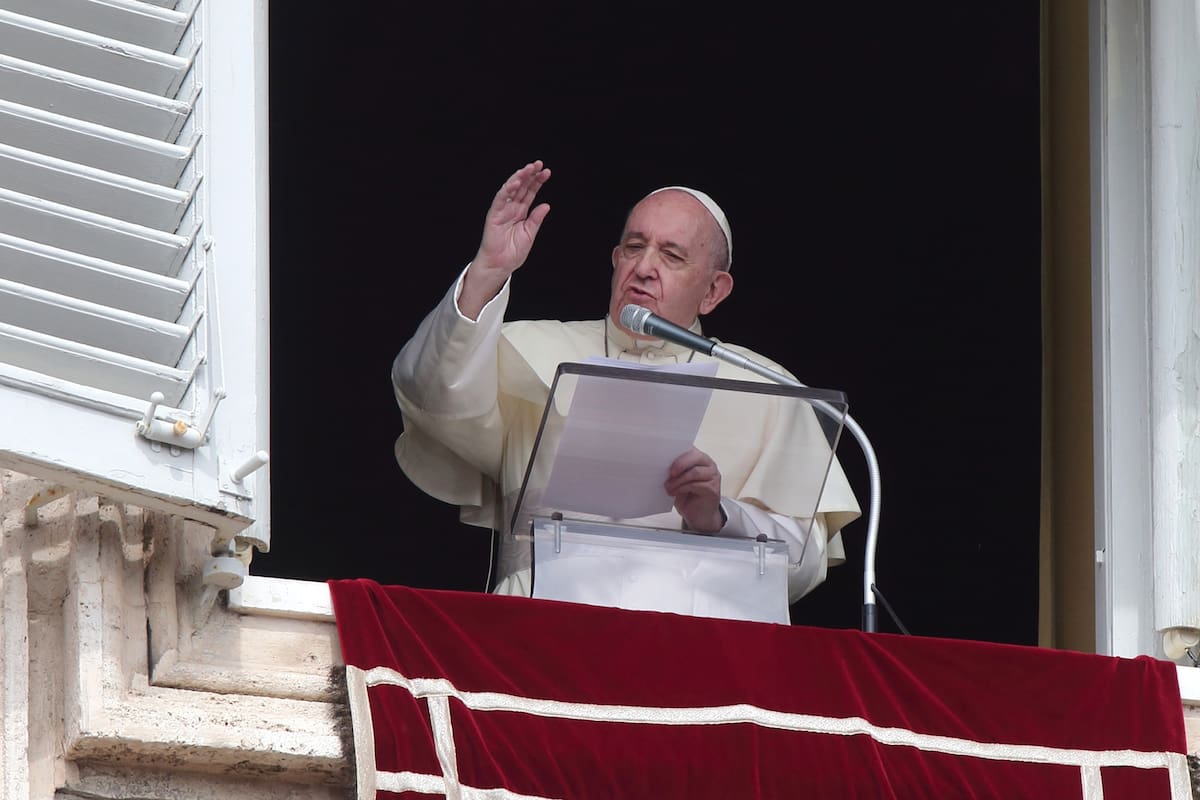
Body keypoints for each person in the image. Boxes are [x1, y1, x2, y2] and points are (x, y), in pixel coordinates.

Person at [392, 160, 860, 606]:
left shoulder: (765, 386)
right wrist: (489, 270)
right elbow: (430, 392)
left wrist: (719, 517)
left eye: (671, 255)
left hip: (699, 650)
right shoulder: (529, 348)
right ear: (616, 260)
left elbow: (804, 565)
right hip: (539, 633)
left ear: (714, 291)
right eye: (634, 248)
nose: (644, 267)